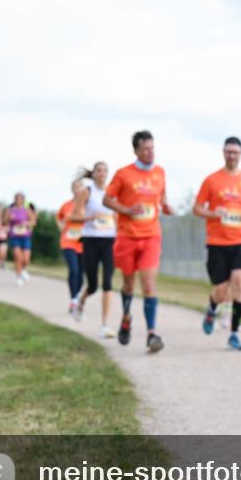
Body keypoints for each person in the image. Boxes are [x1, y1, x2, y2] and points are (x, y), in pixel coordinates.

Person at [102, 131, 174, 352]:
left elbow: (162, 199)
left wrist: (166, 207)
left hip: (151, 235)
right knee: (128, 285)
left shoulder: (160, 172)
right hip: (127, 236)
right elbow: (107, 199)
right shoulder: (123, 174)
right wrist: (126, 210)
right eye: (145, 149)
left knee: (149, 284)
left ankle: (152, 334)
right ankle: (126, 317)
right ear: (135, 150)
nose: (150, 152)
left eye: (152, 148)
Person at [193, 136, 241, 351]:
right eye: (228, 151)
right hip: (217, 242)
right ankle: (213, 307)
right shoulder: (212, 180)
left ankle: (234, 333)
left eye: (235, 152)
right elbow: (196, 209)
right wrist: (213, 212)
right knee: (221, 291)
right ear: (224, 153)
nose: (232, 155)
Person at [73, 161, 117, 338]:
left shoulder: (112, 192)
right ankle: (81, 302)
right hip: (91, 240)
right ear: (94, 174)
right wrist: (92, 216)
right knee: (93, 285)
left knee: (108, 282)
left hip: (109, 241)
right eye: (99, 170)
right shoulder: (87, 192)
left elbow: (117, 215)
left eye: (105, 170)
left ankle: (105, 325)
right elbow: (75, 215)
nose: (102, 173)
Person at [57, 180, 87, 314]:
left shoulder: (88, 205)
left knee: (81, 274)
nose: (78, 189)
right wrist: (61, 226)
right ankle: (73, 299)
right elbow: (59, 217)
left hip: (83, 243)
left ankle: (77, 295)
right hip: (68, 242)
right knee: (73, 270)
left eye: (80, 187)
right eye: (75, 187)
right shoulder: (66, 205)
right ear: (72, 190)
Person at [4, 192, 36, 286]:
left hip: (25, 236)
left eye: (20, 198)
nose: (18, 200)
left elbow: (33, 222)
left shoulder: (27, 210)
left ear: (23, 200)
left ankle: (23, 270)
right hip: (14, 236)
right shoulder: (10, 210)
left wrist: (26, 224)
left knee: (26, 259)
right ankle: (18, 276)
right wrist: (8, 219)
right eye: (16, 198)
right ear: (14, 199)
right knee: (18, 257)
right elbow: (4, 222)